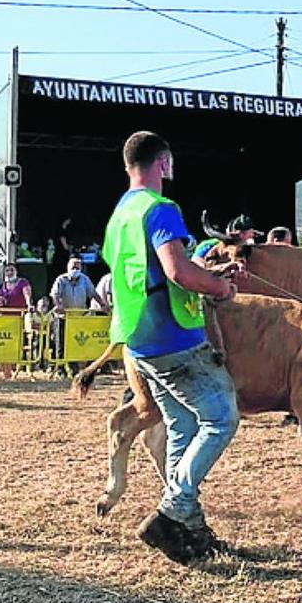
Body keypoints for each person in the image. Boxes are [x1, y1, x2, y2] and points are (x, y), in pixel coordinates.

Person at [103, 130, 239, 563]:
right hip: (174, 334)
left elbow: (148, 269)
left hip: (139, 339)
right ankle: (172, 510)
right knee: (221, 417)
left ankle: (191, 530)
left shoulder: (121, 212)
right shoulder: (161, 209)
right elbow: (177, 272)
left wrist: (205, 268)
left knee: (180, 424)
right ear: (163, 164)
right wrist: (219, 286)